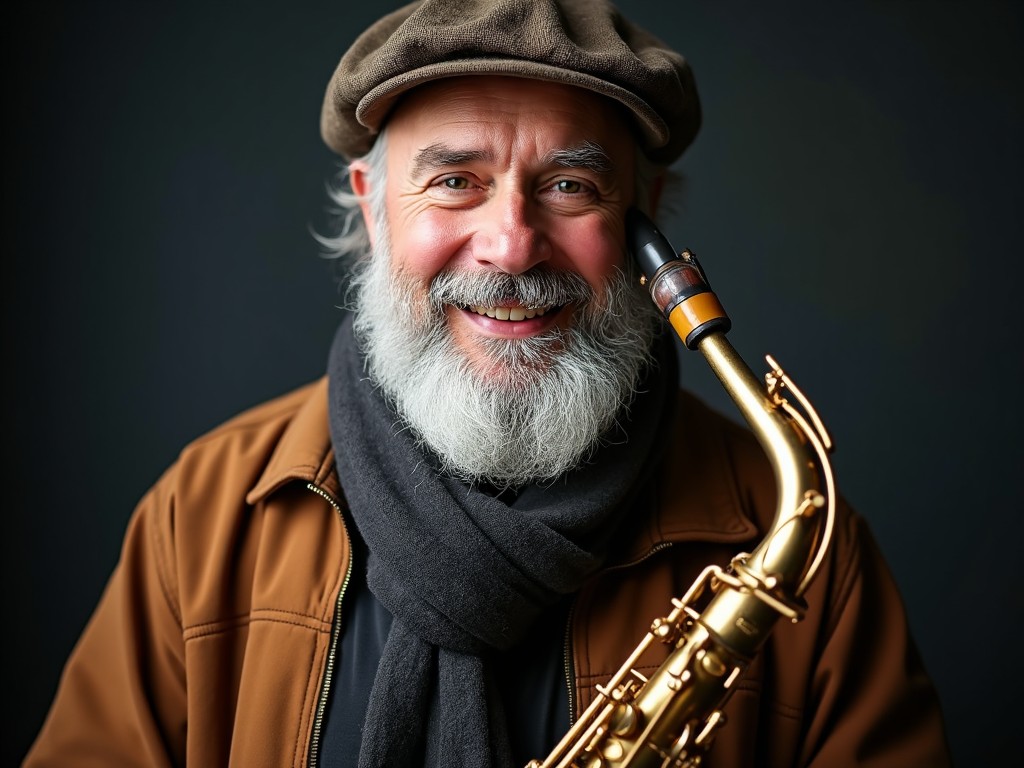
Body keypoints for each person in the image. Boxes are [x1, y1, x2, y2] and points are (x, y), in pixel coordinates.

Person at [23, 1, 952, 766]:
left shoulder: (808, 549)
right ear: (374, 207)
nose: (510, 245)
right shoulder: (203, 517)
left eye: (570, 187)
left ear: (646, 220)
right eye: (456, 181)